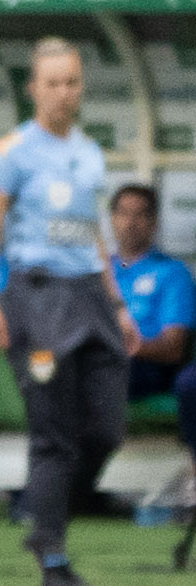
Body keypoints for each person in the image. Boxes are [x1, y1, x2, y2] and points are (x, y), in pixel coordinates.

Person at [0, 40, 134, 586]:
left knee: (108, 428)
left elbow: (94, 233)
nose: (65, 92)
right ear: (34, 89)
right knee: (53, 433)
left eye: (73, 82)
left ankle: (49, 511)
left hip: (90, 296)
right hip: (36, 298)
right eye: (54, 83)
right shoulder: (12, 151)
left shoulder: (89, 152)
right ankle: (52, 555)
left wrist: (117, 302)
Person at [106, 183, 196, 487]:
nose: (131, 223)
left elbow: (174, 348)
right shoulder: (97, 272)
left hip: (147, 366)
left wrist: (126, 346)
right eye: (123, 214)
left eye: (140, 215)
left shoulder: (172, 273)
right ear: (112, 219)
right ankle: (55, 486)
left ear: (155, 222)